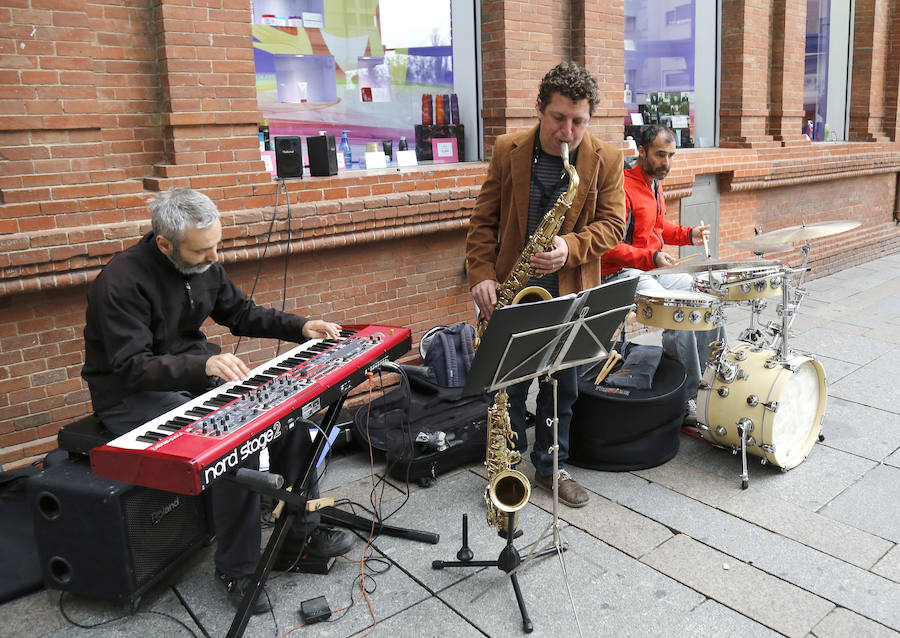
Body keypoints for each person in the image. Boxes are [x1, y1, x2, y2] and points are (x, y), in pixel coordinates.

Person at [81, 188, 354, 614]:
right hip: (130, 396)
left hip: (190, 379)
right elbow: (130, 366)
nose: (213, 255)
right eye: (202, 250)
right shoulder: (121, 282)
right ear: (165, 244)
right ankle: (237, 569)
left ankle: (299, 540)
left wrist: (301, 327)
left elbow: (240, 312)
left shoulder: (203, 261)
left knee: (290, 424)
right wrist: (203, 367)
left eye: (216, 245)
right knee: (233, 449)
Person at [466, 62, 627, 508]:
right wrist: (481, 275)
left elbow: (614, 225)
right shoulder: (507, 150)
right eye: (559, 118)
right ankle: (507, 468)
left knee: (564, 388)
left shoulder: (606, 160)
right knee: (509, 388)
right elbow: (484, 222)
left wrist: (570, 248)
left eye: (579, 122)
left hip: (569, 293)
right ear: (539, 109)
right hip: (512, 292)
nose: (568, 132)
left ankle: (552, 467)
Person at [600, 124, 717, 422]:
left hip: (650, 267)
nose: (667, 162)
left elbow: (657, 227)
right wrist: (650, 255)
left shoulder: (654, 183)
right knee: (676, 307)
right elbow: (607, 247)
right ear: (642, 152)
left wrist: (688, 234)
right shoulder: (622, 187)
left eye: (671, 155)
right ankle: (685, 395)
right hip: (620, 271)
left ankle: (712, 376)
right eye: (660, 155)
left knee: (703, 292)